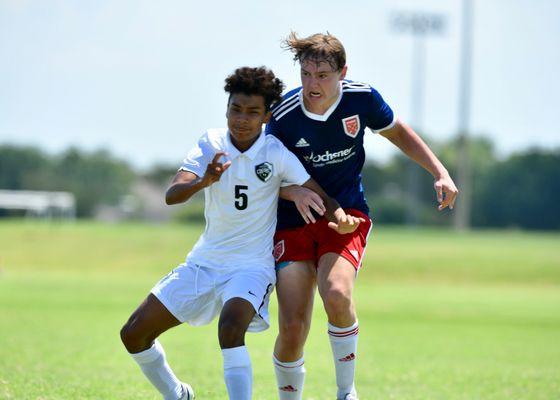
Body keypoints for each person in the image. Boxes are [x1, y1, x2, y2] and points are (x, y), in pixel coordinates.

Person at [119, 66, 361, 400]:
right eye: (236, 109)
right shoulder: (211, 143)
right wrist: (205, 179)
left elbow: (318, 192)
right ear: (227, 108)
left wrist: (339, 215)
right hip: (205, 261)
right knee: (133, 334)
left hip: (251, 267)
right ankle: (178, 394)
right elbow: (172, 194)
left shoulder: (274, 152)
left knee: (230, 327)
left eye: (252, 112)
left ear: (266, 117)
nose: (242, 119)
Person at [266, 32, 459, 400]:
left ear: (342, 72)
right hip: (292, 220)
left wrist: (440, 172)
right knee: (292, 327)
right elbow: (259, 173)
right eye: (306, 74)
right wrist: (292, 190)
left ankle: (346, 392)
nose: (312, 83)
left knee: (336, 293)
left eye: (322, 75)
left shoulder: (362, 97)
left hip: (347, 213)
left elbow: (398, 132)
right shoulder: (283, 116)